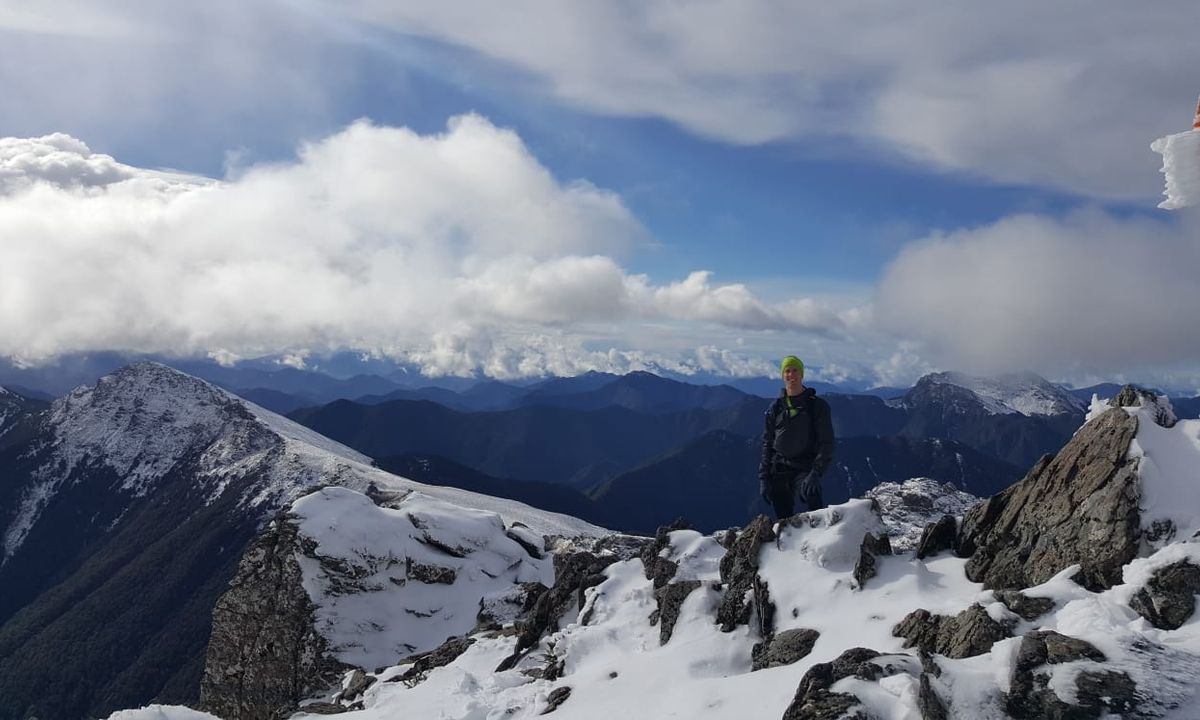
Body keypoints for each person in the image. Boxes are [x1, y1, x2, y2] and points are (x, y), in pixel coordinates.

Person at [757, 355, 835, 519]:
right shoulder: (775, 407)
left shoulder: (817, 406)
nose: (791, 375)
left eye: (795, 370)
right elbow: (767, 443)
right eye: (787, 371)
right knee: (783, 518)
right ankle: (788, 543)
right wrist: (764, 478)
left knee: (813, 503)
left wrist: (816, 473)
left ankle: (821, 540)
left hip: (805, 467)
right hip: (779, 468)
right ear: (782, 375)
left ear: (802, 374)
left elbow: (826, 442)